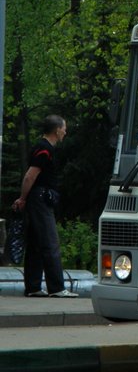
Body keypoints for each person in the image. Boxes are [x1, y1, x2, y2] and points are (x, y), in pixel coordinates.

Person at [13, 115, 76, 298]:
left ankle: (33, 287)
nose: (65, 131)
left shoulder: (42, 147)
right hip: (40, 199)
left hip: (36, 198)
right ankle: (56, 287)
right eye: (64, 128)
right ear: (57, 130)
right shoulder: (44, 149)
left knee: (35, 244)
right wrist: (23, 198)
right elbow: (30, 176)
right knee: (50, 242)